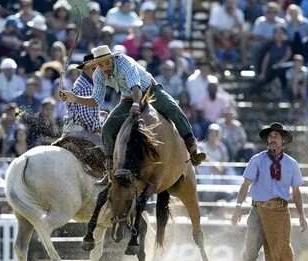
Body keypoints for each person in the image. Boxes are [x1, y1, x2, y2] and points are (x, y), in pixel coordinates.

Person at [59, 45, 206, 185]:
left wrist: (136, 105)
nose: (104, 67)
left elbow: (135, 87)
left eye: (106, 63)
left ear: (112, 59)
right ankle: (110, 170)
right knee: (108, 128)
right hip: (128, 98)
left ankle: (192, 148)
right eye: (101, 65)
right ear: (97, 65)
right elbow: (96, 101)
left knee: (174, 111)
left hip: (150, 91)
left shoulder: (124, 63)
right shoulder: (98, 74)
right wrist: (74, 98)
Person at [231, 122, 308, 261]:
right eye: (270, 136)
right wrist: (237, 208)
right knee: (250, 251)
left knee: (284, 250)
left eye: (276, 136)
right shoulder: (257, 159)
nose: (272, 139)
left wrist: (302, 215)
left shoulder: (291, 164)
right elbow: (245, 185)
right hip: (258, 211)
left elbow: (296, 191)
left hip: (281, 211)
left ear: (283, 141)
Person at [64, 53, 101, 133]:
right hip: (79, 129)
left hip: (74, 127)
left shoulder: (85, 82)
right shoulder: (86, 86)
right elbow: (85, 115)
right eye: (94, 69)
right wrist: (98, 129)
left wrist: (99, 114)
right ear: (85, 69)